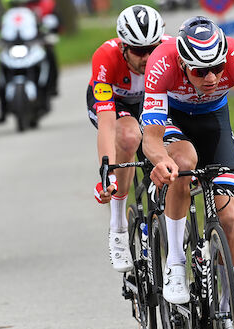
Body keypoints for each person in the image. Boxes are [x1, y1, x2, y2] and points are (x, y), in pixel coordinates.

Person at [140, 16, 234, 329]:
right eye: (200, 71)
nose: (212, 78)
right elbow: (151, 138)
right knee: (182, 164)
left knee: (229, 218)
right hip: (174, 120)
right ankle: (174, 262)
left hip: (215, 122)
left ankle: (232, 309)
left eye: (217, 68)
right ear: (183, 62)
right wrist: (161, 160)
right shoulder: (161, 61)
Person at [89, 5, 166, 272]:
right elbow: (108, 124)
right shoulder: (106, 56)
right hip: (115, 103)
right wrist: (107, 174)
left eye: (152, 49)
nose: (147, 58)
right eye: (138, 51)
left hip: (148, 103)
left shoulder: (168, 52)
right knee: (129, 136)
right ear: (123, 46)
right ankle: (118, 225)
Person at [0, 0, 60, 124]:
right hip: (13, 45)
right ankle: (1, 100)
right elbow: (3, 28)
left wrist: (47, 32)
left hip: (32, 44)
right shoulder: (9, 15)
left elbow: (50, 20)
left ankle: (51, 86)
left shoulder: (37, 9)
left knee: (49, 55)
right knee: (1, 62)